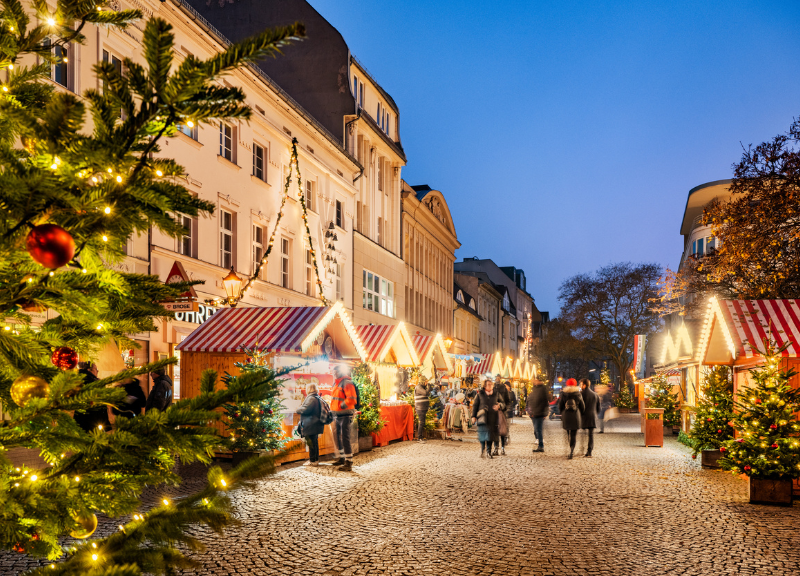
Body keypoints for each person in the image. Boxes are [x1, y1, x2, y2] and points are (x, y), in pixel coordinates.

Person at [331, 364, 358, 471]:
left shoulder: (347, 382)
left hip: (345, 414)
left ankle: (348, 462)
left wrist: (341, 406)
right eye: (333, 372)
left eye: (335, 372)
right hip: (337, 414)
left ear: (340, 372)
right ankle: (342, 458)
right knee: (338, 437)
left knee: (345, 437)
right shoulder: (336, 383)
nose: (334, 374)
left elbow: (352, 398)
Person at [471, 378, 505, 458]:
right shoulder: (480, 394)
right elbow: (475, 405)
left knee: (490, 436)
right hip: (482, 417)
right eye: (489, 384)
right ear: (485, 386)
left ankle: (488, 452)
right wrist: (473, 416)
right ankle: (482, 450)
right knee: (482, 436)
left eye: (491, 384)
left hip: (493, 418)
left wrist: (499, 405)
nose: (491, 386)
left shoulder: (496, 394)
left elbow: (503, 404)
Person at [74, 361, 111, 432]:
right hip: (94, 418)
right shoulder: (94, 383)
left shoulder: (77, 381)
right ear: (89, 370)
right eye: (96, 369)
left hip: (79, 417)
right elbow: (101, 403)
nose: (97, 371)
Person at [296, 382, 324, 466]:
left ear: (309, 389)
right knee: (314, 442)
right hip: (315, 423)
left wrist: (297, 410)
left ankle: (312, 461)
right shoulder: (316, 397)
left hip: (311, 423)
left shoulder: (311, 398)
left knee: (311, 442)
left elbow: (306, 409)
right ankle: (315, 460)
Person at [558, 378, 585, 459]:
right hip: (575, 416)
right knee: (573, 434)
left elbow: (560, 406)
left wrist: (562, 413)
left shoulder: (563, 394)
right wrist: (581, 413)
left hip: (566, 416)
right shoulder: (578, 394)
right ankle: (572, 451)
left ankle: (568, 448)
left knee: (568, 433)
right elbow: (582, 406)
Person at [526, 379, 549, 452]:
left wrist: (544, 413)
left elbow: (545, 402)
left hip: (539, 413)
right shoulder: (535, 389)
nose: (534, 381)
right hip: (534, 413)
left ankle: (541, 446)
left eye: (535, 380)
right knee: (537, 429)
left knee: (538, 430)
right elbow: (532, 400)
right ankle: (540, 445)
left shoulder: (542, 389)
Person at [580, 378, 600, 457]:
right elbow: (599, 408)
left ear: (584, 385)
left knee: (583, 434)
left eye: (581, 384)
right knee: (590, 435)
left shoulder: (581, 394)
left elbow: (579, 406)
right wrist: (595, 413)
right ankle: (589, 451)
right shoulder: (595, 394)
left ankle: (582, 449)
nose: (580, 386)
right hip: (592, 417)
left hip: (584, 416)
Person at [493, 375, 512, 455]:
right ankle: (496, 448)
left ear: (500, 379)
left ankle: (503, 448)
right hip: (493, 413)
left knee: (502, 431)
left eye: (498, 378)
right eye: (496, 378)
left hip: (502, 412)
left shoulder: (504, 388)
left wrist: (505, 409)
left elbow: (508, 401)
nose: (497, 379)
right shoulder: (492, 388)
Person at [413, 376, 430, 442]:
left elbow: (427, 393)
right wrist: (429, 387)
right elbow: (425, 393)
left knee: (422, 422)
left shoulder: (422, 387)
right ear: (423, 381)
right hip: (420, 408)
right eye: (426, 381)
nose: (426, 383)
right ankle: (419, 438)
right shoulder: (418, 387)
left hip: (423, 407)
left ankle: (421, 436)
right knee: (421, 422)